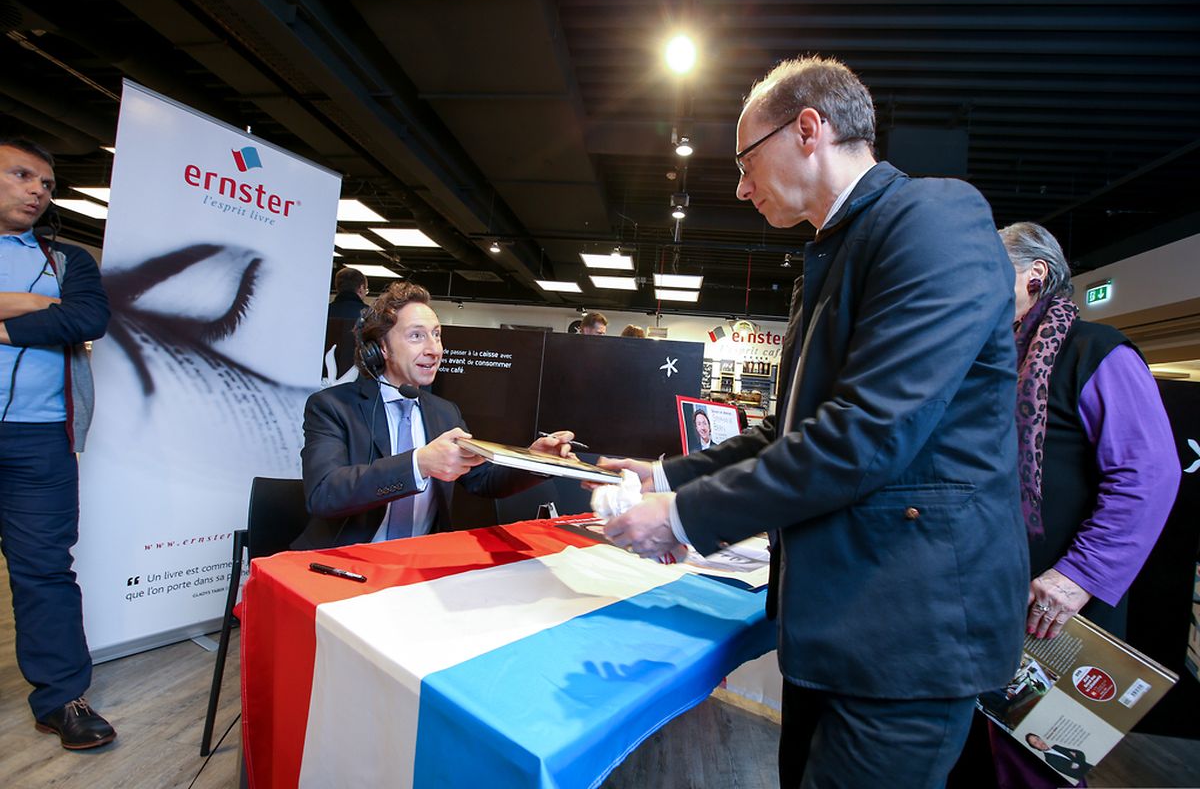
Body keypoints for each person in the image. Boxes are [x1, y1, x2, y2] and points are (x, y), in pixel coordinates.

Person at [600, 55, 1028, 787]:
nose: (741, 188)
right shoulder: (834, 254)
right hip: (836, 629)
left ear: (808, 129)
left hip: (906, 637)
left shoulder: (933, 217)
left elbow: (866, 433)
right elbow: (789, 430)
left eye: (745, 162)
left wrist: (680, 518)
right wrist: (664, 476)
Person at [949, 222, 1178, 789]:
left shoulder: (1095, 351)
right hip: (982, 603)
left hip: (1058, 611)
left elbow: (1148, 475)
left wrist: (1080, 576)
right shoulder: (992, 359)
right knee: (966, 763)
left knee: (1034, 766)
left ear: (1036, 275)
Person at [295, 281, 575, 549]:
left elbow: (483, 479)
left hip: (420, 561)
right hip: (344, 560)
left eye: (437, 335)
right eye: (416, 336)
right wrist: (418, 464)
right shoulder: (332, 406)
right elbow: (324, 493)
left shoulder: (444, 411)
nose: (434, 349)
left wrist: (535, 460)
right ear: (382, 348)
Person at [0, 138, 113, 749]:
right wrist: (32, 307)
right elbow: (59, 317)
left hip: (41, 439)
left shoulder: (67, 259)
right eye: (22, 175)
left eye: (46, 183)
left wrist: (4, 326)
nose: (38, 191)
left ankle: (62, 699)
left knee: (45, 570)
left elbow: (86, 319)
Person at [323, 267, 370, 381]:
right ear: (361, 288)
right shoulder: (370, 316)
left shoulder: (323, 313)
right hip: (358, 381)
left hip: (323, 379)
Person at [1024, 734, 1092, 780]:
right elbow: (1070, 771)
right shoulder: (1049, 759)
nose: (1039, 743)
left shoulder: (1056, 747)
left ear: (1041, 738)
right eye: (1035, 743)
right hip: (1085, 776)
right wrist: (1075, 758)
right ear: (1034, 747)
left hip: (1089, 767)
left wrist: (1075, 761)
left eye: (1038, 739)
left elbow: (1080, 753)